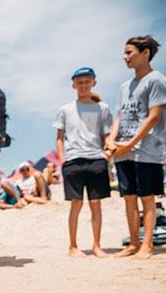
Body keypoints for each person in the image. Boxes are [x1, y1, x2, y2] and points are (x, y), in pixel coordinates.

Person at [107, 35, 165, 259]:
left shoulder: (156, 80)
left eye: (129, 52)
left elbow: (153, 117)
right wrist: (112, 141)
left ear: (145, 53)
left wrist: (130, 144)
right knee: (129, 197)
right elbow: (120, 116)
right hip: (123, 150)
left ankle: (147, 245)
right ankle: (133, 243)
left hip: (147, 149)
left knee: (147, 197)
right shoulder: (125, 86)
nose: (125, 57)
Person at [54, 67, 113, 258]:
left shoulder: (102, 108)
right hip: (73, 160)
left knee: (96, 204)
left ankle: (97, 245)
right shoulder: (65, 109)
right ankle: (73, 246)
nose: (83, 85)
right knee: (76, 204)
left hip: (97, 159)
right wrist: (63, 161)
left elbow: (107, 136)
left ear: (94, 82)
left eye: (87, 81)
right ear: (74, 85)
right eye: (79, 82)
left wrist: (107, 158)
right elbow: (59, 138)